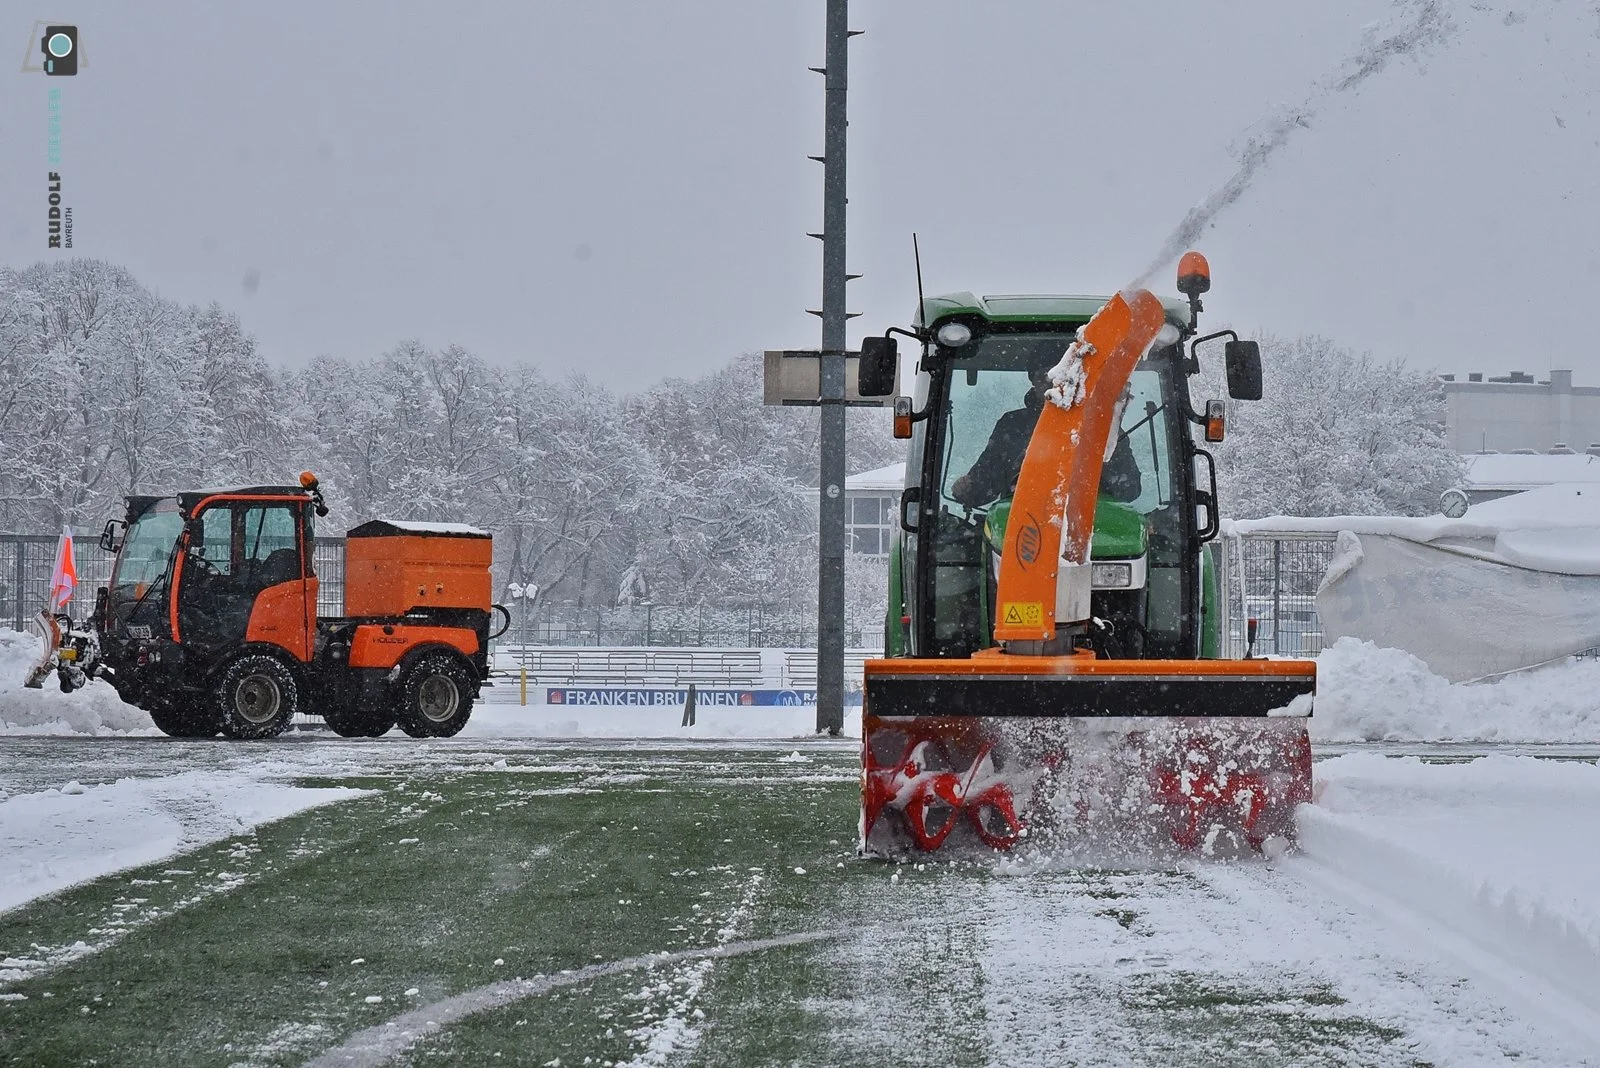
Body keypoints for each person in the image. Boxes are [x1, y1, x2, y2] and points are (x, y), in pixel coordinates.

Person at [950, 364, 1143, 508]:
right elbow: (986, 481)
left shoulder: (1103, 429)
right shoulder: (1013, 426)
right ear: (1033, 380)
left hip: (1094, 527)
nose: (1054, 383)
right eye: (1045, 376)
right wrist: (969, 489)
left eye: (1062, 377)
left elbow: (1130, 488)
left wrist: (1101, 464)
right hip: (1019, 525)